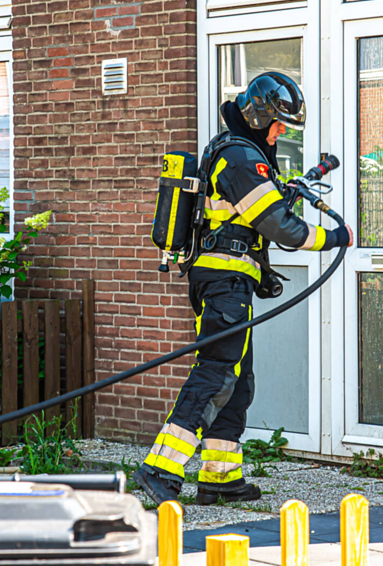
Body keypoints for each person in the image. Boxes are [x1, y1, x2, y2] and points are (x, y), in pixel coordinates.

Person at [134, 72, 353, 506]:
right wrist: (334, 237)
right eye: (277, 123)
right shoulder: (239, 157)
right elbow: (281, 228)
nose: (281, 132)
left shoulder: (238, 151)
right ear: (258, 115)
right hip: (223, 284)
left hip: (229, 283)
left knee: (238, 380)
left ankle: (220, 477)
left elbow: (250, 213)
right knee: (216, 373)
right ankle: (159, 469)